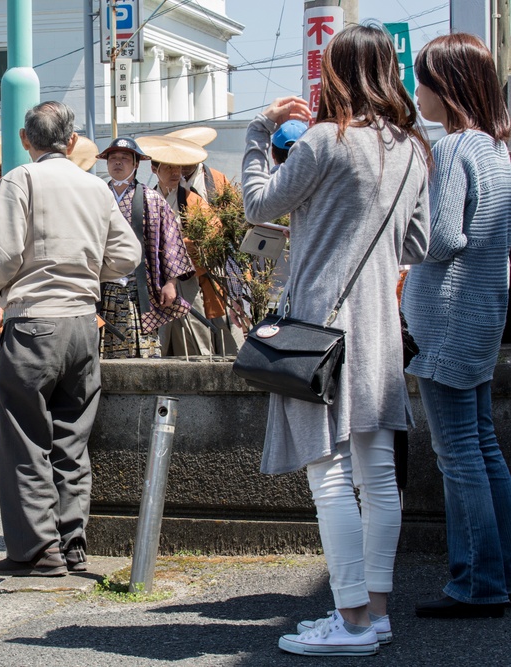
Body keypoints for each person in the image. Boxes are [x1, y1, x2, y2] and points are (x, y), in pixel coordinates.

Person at [241, 25, 431, 656]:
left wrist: (257, 136)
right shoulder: (411, 147)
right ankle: (375, 612)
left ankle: (349, 620)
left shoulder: (325, 141)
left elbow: (258, 205)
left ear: (338, 73)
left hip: (321, 327)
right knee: (378, 475)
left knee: (329, 476)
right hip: (380, 325)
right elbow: (418, 245)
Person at [0, 101, 141, 576]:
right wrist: (89, 270)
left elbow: (3, 253)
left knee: (27, 438)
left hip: (33, 322)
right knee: (72, 439)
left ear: (26, 141)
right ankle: (73, 545)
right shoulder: (96, 187)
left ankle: (37, 552)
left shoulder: (20, 180)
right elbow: (127, 255)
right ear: (72, 143)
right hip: (82, 324)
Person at [402, 33, 511, 619]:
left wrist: (399, 238)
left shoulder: (451, 150)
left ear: (448, 86)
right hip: (483, 312)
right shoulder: (498, 149)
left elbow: (441, 238)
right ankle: (499, 573)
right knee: (484, 447)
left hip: (444, 315)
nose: (417, 92)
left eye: (423, 81)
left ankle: (476, 583)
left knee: (459, 455)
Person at [96, 137, 194, 358]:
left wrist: (170, 282)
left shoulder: (151, 198)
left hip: (139, 287)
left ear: (136, 164)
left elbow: (170, 240)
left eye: (124, 158)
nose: (118, 163)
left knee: (142, 347)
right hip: (102, 286)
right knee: (100, 348)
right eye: (113, 159)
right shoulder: (95, 195)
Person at [148, 148, 230, 357]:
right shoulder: (146, 199)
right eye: (168, 167)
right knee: (155, 341)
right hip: (153, 278)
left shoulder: (192, 200)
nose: (176, 172)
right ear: (154, 169)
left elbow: (211, 238)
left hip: (187, 277)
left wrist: (175, 254)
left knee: (195, 334)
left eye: (178, 167)